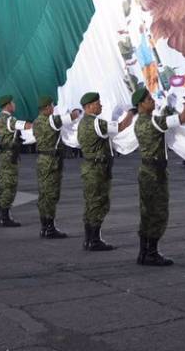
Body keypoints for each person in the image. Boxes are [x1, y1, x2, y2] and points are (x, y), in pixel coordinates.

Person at [131, 86, 185, 266]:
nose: (152, 101)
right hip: (155, 173)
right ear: (140, 105)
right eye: (149, 99)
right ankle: (151, 252)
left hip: (146, 170)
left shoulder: (139, 122)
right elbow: (183, 118)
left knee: (147, 213)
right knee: (158, 213)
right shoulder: (153, 122)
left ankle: (144, 252)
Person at [77, 92, 136, 251]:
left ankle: (90, 239)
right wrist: (132, 112)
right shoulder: (96, 123)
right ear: (89, 106)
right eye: (98, 103)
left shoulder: (83, 123)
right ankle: (94, 240)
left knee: (91, 203)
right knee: (99, 203)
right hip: (98, 169)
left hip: (90, 167)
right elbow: (122, 126)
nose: (100, 105)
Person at [33, 96, 78, 239]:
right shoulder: (51, 120)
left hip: (41, 159)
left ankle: (44, 226)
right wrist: (77, 111)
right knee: (52, 194)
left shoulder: (36, 121)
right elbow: (70, 117)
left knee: (44, 194)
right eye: (52, 105)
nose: (53, 108)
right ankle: (50, 228)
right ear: (46, 108)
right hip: (51, 161)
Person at [0, 95, 32, 227]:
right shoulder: (8, 119)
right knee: (10, 186)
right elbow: (23, 125)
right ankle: (5, 217)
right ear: (8, 105)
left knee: (3, 185)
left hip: (3, 155)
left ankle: (4, 214)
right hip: (10, 156)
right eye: (13, 103)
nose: (14, 105)